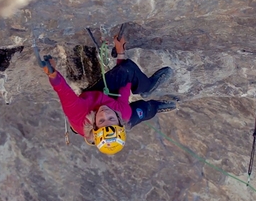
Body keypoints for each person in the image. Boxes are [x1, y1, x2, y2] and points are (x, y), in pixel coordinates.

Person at [42, 35, 176, 154]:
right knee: (145, 110)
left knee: (128, 71)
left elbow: (63, 91)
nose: (105, 114)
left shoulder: (78, 113)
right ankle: (155, 101)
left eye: (101, 121)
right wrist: (120, 52)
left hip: (91, 99)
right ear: (119, 121)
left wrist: (53, 73)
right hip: (112, 103)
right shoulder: (122, 113)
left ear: (94, 125)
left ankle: (147, 89)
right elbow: (124, 80)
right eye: (111, 119)